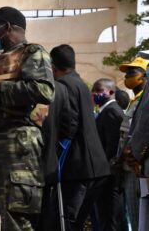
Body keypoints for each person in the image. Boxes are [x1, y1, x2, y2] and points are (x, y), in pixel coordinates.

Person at [0, 6, 55, 231]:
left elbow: (44, 91)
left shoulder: (32, 53)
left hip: (17, 145)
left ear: (7, 28)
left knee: (16, 219)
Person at [49, 44, 110, 231]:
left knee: (65, 220)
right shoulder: (80, 83)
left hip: (78, 168)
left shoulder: (63, 85)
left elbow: (69, 124)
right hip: (94, 168)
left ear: (53, 66)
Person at [117, 56, 149, 231]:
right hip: (130, 167)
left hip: (138, 165)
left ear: (145, 75)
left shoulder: (144, 99)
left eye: (132, 71)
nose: (128, 75)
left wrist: (133, 153)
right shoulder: (135, 101)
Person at [91, 78, 126, 231]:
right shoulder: (105, 110)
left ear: (111, 92)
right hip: (105, 173)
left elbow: (112, 144)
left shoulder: (112, 111)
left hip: (109, 175)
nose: (94, 94)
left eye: (98, 91)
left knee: (110, 216)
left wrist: (103, 167)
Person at [38, 80, 71, 230]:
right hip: (48, 163)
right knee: (45, 209)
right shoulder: (61, 88)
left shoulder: (17, 82)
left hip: (21, 162)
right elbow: (68, 126)